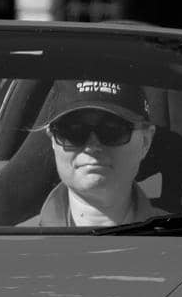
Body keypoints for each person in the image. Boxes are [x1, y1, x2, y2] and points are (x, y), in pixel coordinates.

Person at [19, 79, 158, 228]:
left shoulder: (181, 242)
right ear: (53, 140)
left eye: (112, 130)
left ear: (145, 141)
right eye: (73, 131)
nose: (92, 147)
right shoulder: (15, 247)